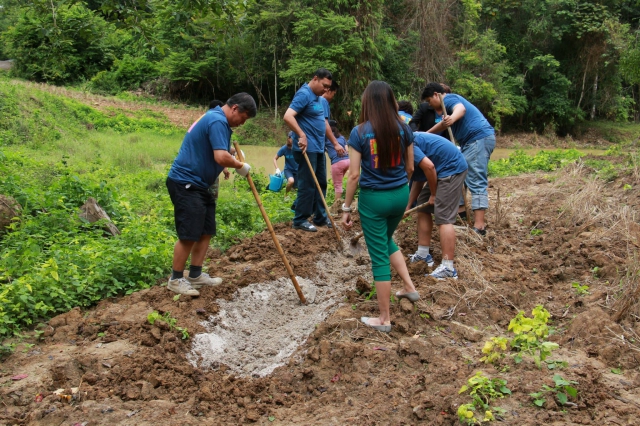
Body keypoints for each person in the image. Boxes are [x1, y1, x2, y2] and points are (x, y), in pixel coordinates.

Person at [341, 80, 418, 333]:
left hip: (374, 200)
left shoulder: (359, 132)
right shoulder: (404, 128)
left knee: (378, 257)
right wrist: (400, 189)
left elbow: (354, 175)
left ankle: (384, 319)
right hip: (400, 194)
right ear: (390, 101)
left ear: (367, 102)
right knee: (385, 240)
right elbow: (410, 167)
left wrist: (346, 208)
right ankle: (409, 287)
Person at [166, 93, 256, 296]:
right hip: (186, 182)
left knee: (205, 231)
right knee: (189, 233)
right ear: (235, 108)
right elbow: (220, 156)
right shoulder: (217, 120)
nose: (242, 123)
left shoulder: (218, 120)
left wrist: (232, 154)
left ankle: (195, 275)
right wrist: (239, 165)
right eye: (243, 118)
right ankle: (176, 279)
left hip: (200, 185)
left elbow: (216, 148)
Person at [424, 82, 495, 235]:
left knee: (476, 179)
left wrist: (452, 118)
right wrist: (425, 135)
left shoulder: (448, 99)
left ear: (436, 94)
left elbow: (460, 109)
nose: (430, 105)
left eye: (429, 101)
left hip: (478, 139)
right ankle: (462, 218)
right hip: (469, 143)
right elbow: (442, 126)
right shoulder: (444, 108)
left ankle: (479, 227)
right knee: (460, 178)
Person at [284, 68, 345, 232]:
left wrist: (335, 143)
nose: (326, 90)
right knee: (308, 183)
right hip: (306, 148)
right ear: (315, 79)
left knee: (321, 183)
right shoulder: (304, 94)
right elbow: (288, 116)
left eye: (328, 87)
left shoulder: (320, 100)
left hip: (318, 148)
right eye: (324, 85)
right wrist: (301, 134)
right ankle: (300, 219)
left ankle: (320, 217)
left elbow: (324, 123)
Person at [408, 132, 468, 279]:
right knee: (423, 206)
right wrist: (408, 205)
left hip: (451, 168)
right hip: (439, 170)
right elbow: (418, 179)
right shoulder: (402, 143)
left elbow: (429, 167)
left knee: (443, 217)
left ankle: (448, 268)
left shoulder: (406, 144)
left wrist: (434, 194)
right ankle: (423, 254)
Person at [325, 120, 349, 211]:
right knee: (340, 182)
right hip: (347, 161)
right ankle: (344, 201)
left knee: (338, 185)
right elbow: (347, 150)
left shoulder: (326, 138)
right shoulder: (342, 137)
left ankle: (335, 207)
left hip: (337, 163)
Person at [273, 131, 298, 196]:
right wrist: (277, 169)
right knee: (291, 181)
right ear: (288, 138)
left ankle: (292, 195)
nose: (293, 140)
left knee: (296, 188)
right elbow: (274, 159)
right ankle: (285, 195)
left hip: (298, 170)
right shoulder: (284, 148)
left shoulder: (297, 147)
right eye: (291, 138)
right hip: (288, 170)